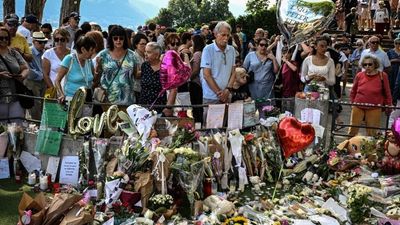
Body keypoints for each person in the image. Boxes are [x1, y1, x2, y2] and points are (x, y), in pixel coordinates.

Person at [349, 55, 392, 136]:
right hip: (358, 105)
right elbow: (353, 91)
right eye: (365, 65)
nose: (367, 66)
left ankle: (371, 148)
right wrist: (352, 103)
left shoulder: (383, 76)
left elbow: (387, 92)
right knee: (352, 130)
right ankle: (347, 147)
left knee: (372, 133)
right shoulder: (359, 75)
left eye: (370, 64)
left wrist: (388, 105)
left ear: (375, 64)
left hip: (374, 107)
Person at [95, 25, 138, 106]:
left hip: (127, 100)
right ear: (111, 39)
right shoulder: (103, 55)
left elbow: (135, 75)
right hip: (107, 100)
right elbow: (96, 78)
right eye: (115, 38)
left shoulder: (132, 55)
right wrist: (97, 67)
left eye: (121, 38)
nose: (118, 41)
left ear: (125, 39)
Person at [200, 21, 236, 107]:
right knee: (211, 121)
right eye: (223, 35)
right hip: (211, 97)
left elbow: (233, 72)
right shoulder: (208, 49)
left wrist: (228, 90)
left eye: (228, 35)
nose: (226, 38)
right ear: (215, 34)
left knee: (228, 120)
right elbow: (206, 75)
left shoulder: (231, 50)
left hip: (227, 95)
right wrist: (219, 93)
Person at [0, 27, 30, 122]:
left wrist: (22, 76)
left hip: (15, 93)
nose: (4, 40)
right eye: (1, 38)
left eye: (6, 38)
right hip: (1, 95)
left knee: (16, 125)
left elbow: (25, 68)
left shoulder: (14, 53)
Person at [55, 36, 96, 102]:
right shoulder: (69, 59)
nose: (93, 52)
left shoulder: (89, 61)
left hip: (88, 100)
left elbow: (94, 79)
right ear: (83, 49)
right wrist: (61, 94)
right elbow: (57, 80)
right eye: (91, 50)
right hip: (72, 99)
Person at [139, 42, 174, 116]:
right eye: (145, 51)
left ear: (157, 55)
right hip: (143, 108)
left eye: (148, 52)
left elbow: (174, 89)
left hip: (159, 108)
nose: (145, 54)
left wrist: (168, 107)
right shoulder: (144, 66)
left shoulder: (166, 68)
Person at [243, 37, 279, 102]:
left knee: (268, 109)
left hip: (267, 88)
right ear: (257, 45)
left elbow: (276, 71)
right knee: (255, 108)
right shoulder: (250, 55)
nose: (263, 47)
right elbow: (244, 69)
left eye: (266, 45)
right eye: (261, 45)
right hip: (253, 87)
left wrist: (273, 59)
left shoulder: (270, 56)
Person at [26, 32, 47, 120]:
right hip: (33, 82)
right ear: (34, 41)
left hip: (43, 81)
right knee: (35, 105)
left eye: (44, 42)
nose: (43, 44)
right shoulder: (28, 52)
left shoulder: (45, 53)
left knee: (43, 104)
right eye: (40, 42)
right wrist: (43, 76)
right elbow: (29, 71)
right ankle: (36, 124)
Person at [190, 34, 206, 123]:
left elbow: (195, 70)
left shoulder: (197, 54)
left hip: (195, 82)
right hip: (202, 83)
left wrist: (189, 78)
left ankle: (198, 124)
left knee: (196, 106)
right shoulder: (203, 52)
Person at [131, 33, 148, 100]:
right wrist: (148, 69)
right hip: (137, 89)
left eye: (146, 44)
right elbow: (136, 74)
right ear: (136, 44)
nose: (144, 46)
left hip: (146, 89)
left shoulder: (146, 55)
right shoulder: (133, 57)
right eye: (142, 44)